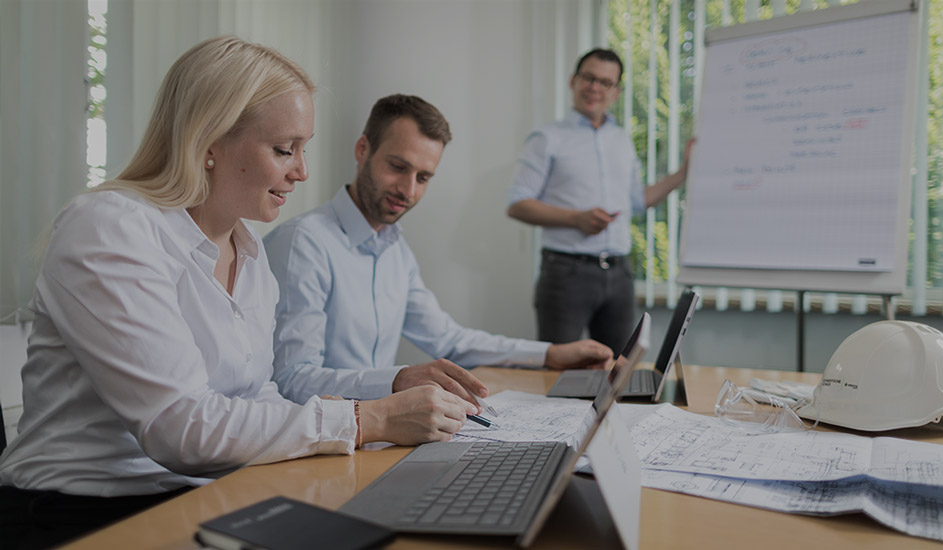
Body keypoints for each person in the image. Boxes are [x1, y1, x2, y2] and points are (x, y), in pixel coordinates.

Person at [0, 38, 474, 550]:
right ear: (208, 144)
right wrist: (364, 418)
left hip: (204, 492)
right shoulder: (110, 226)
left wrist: (339, 418)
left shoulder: (249, 254)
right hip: (81, 514)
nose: (302, 171)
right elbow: (177, 426)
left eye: (303, 148)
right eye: (283, 149)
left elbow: (254, 396)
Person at [264, 94, 613, 408]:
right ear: (362, 149)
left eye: (424, 177)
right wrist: (397, 380)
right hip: (318, 446)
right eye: (398, 167)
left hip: (372, 437)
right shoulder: (304, 243)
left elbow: (448, 340)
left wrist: (551, 354)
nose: (408, 190)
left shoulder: (395, 249)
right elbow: (293, 379)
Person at [507, 48, 695, 353]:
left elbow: (637, 200)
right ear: (573, 81)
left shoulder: (621, 140)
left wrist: (683, 174)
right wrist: (575, 219)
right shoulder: (547, 138)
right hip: (566, 274)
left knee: (618, 371)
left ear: (616, 92)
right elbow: (517, 203)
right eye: (589, 78)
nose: (595, 87)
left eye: (605, 82)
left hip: (619, 274)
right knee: (560, 373)